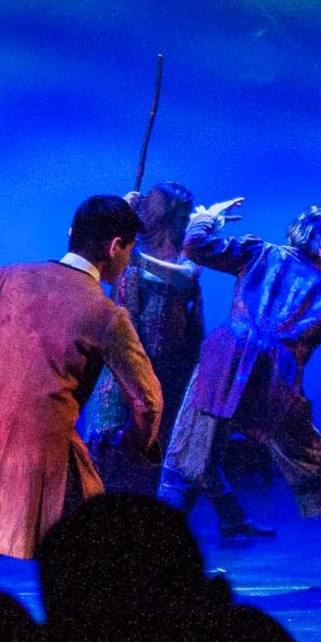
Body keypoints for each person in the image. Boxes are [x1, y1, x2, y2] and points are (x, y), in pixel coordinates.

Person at [159, 203, 321, 584]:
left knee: (188, 461)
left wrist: (208, 219)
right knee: (314, 474)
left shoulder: (261, 254)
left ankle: (153, 557)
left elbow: (197, 245)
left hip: (225, 365)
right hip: (273, 383)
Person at [0, 195, 162, 590]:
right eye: (129, 250)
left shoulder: (8, 277)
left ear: (72, 233)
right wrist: (138, 446)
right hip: (48, 454)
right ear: (115, 247)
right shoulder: (105, 314)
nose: (128, 262)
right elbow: (147, 400)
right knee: (87, 555)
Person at [87, 183, 214, 507]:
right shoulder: (128, 243)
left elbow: (186, 277)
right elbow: (95, 260)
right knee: (111, 431)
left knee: (164, 436)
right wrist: (117, 214)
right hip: (122, 354)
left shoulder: (182, 250)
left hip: (168, 360)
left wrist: (138, 257)